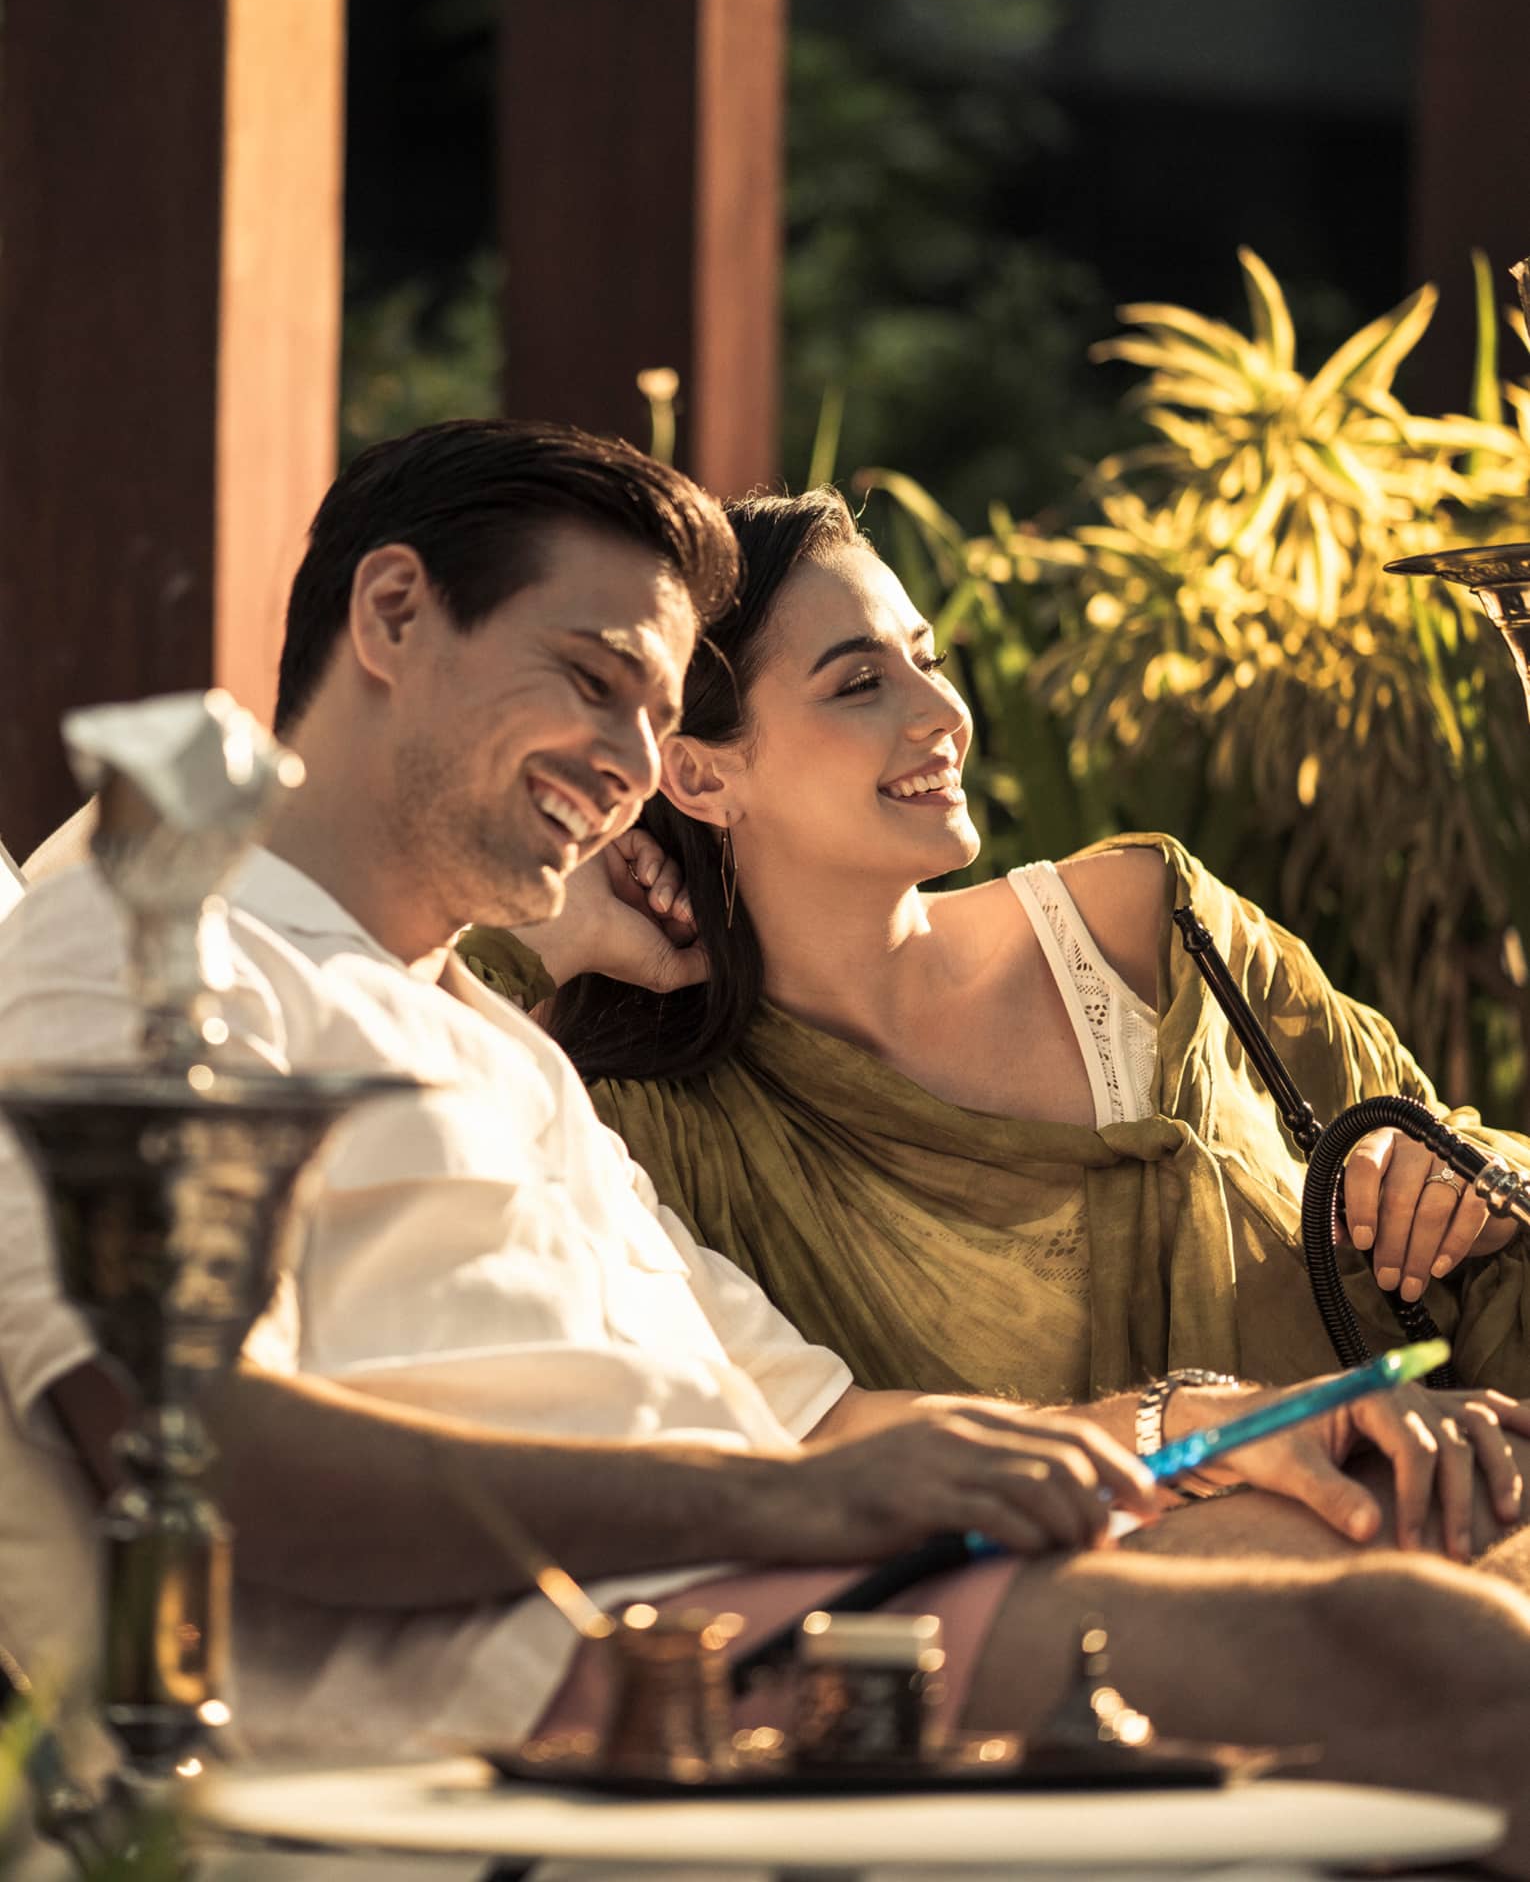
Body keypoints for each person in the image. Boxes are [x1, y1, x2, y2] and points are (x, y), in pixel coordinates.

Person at [2, 427, 1530, 1872]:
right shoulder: (148, 956)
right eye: (593, 680)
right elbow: (188, 1450)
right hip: (578, 1699)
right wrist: (769, 1512)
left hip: (785, 1606)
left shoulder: (499, 1050)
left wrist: (1189, 1425)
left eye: (657, 717)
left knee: (1456, 1564)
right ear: (393, 613)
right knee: (1431, 1666)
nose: (630, 766)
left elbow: (814, 1423)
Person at [463, 486, 1530, 1431]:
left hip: (1458, 1520)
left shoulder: (1156, 932)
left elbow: (1471, 1159)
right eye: (859, 684)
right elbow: (427, 1131)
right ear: (700, 778)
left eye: (927, 660)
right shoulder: (662, 1130)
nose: (944, 713)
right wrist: (549, 928)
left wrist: (1466, 1184)